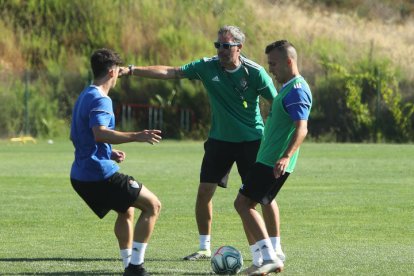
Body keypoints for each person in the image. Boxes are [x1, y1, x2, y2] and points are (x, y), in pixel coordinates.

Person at [119, 25, 285, 263]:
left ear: (239, 48)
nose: (221, 50)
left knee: (264, 195)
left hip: (252, 141)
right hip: (219, 141)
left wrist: (276, 139)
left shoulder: (255, 73)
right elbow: (172, 72)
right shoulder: (207, 67)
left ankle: (275, 247)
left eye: (226, 46)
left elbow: (277, 105)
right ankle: (204, 247)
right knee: (204, 193)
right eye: (218, 45)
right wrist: (132, 70)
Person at [70, 48, 162, 276]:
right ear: (112, 72)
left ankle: (127, 263)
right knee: (153, 205)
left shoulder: (84, 95)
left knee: (126, 210)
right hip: (99, 175)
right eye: (119, 71)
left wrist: (108, 152)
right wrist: (136, 136)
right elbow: (100, 133)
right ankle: (136, 267)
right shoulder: (102, 99)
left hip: (81, 175)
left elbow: (79, 135)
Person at [234, 40, 312, 275]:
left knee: (243, 204)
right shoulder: (289, 87)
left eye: (274, 64)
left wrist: (286, 156)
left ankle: (268, 257)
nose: (271, 69)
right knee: (257, 203)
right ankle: (269, 256)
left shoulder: (297, 90)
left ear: (289, 62)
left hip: (273, 161)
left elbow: (302, 128)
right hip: (269, 159)